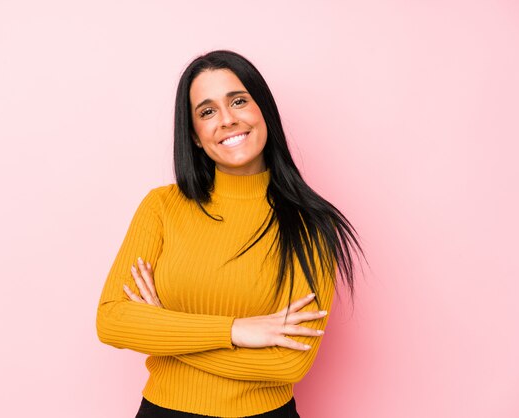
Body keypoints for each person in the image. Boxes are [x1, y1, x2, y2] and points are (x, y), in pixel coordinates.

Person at [96, 50, 363, 417]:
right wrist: (236, 330)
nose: (226, 120)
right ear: (194, 135)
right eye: (207, 111)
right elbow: (112, 320)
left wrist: (165, 332)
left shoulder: (312, 224)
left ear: (262, 110)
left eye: (238, 101)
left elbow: (288, 364)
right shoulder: (162, 207)